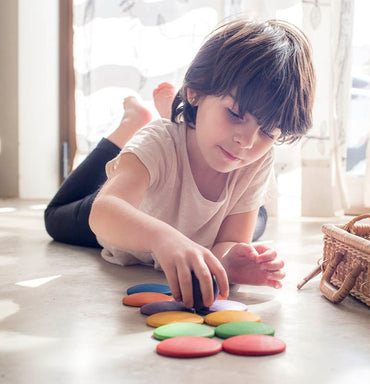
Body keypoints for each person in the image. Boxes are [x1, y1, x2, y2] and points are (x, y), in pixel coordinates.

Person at [45, 18, 316, 308]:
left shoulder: (257, 159)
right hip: (133, 219)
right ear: (195, 91)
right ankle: (129, 127)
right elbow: (102, 213)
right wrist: (162, 237)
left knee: (253, 226)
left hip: (194, 223)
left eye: (268, 132)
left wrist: (230, 261)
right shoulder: (158, 144)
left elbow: (228, 242)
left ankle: (184, 121)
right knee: (55, 218)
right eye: (236, 114)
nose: (248, 142)